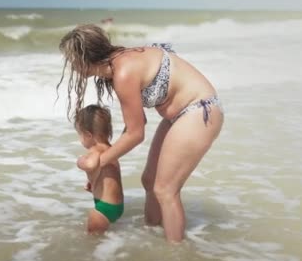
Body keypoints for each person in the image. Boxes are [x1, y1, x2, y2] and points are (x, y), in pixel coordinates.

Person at [58, 24, 224, 242]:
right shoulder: (118, 65)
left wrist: (98, 164)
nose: (71, 66)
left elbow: (136, 134)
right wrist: (102, 163)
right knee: (149, 180)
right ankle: (152, 234)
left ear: (83, 58)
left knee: (165, 190)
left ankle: (176, 256)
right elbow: (136, 123)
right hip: (179, 116)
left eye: (71, 60)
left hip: (199, 110)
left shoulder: (123, 72)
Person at [75, 104, 124, 234]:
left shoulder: (95, 151)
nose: (80, 139)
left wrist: (80, 162)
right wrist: (93, 182)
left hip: (103, 208)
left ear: (88, 135)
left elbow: (91, 164)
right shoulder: (111, 148)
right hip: (117, 206)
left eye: (79, 135)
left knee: (92, 241)